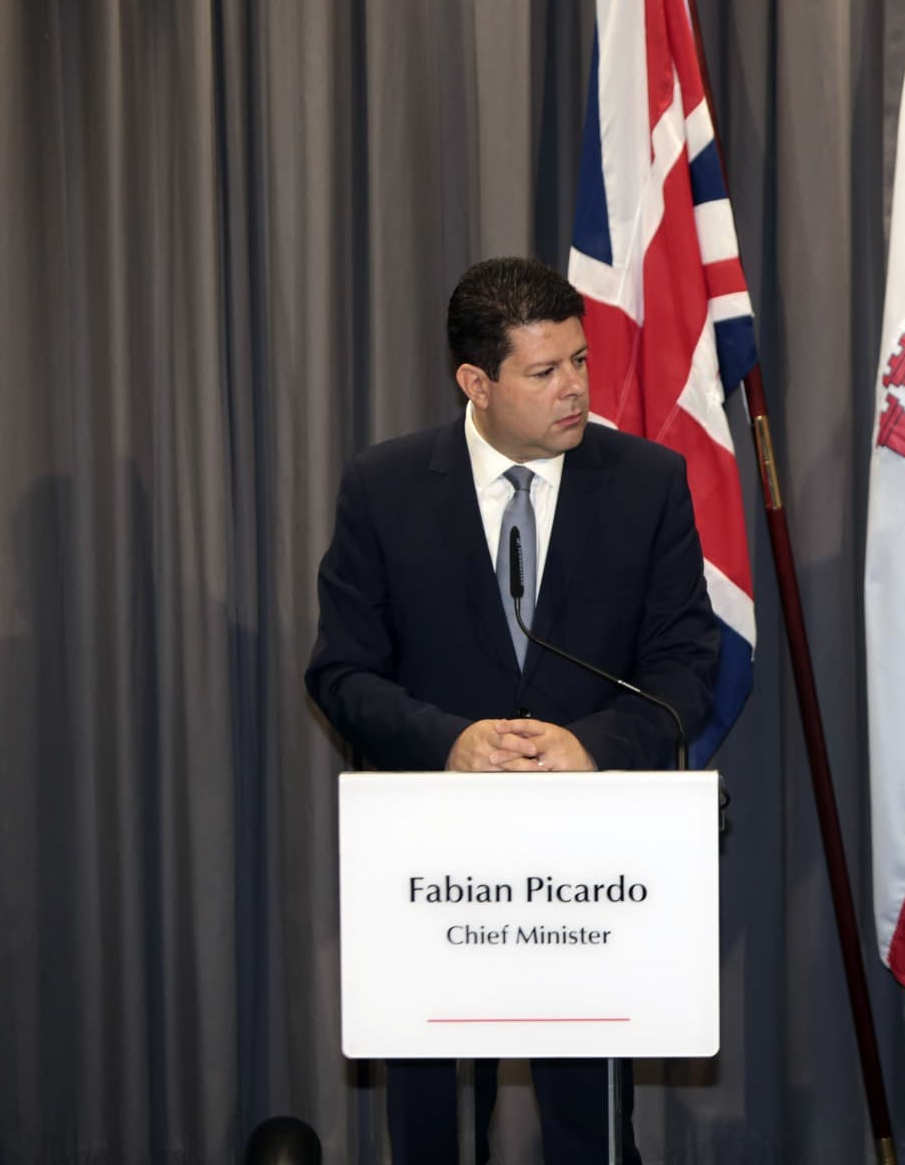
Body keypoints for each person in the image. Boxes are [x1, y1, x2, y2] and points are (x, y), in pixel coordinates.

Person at [306, 256, 719, 1164]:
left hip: (591, 875)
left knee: (590, 1131)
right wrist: (449, 741)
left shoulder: (646, 482)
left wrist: (592, 745)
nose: (576, 388)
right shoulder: (384, 487)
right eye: (545, 371)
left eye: (580, 360)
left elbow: (689, 665)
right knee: (433, 1132)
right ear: (476, 382)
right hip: (430, 873)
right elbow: (341, 673)